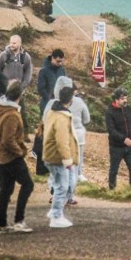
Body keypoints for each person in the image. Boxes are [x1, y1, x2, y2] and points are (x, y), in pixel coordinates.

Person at [0, 80, 34, 234]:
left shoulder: (2, 109)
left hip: (2, 155)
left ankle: (1, 224)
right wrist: (20, 152)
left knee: (7, 189)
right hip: (11, 156)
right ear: (19, 95)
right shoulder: (11, 114)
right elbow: (8, 140)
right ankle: (18, 220)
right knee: (28, 185)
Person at [44, 76, 90, 196]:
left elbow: (45, 120)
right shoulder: (78, 101)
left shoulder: (51, 103)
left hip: (56, 139)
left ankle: (54, 190)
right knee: (73, 168)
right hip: (77, 138)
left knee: (57, 167)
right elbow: (87, 119)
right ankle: (70, 195)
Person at [44, 86, 78, 228]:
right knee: (62, 187)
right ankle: (57, 216)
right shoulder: (62, 118)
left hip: (50, 154)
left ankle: (54, 212)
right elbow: (62, 140)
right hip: (57, 157)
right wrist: (67, 159)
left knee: (59, 185)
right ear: (70, 100)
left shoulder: (53, 112)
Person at [105, 88, 131, 190]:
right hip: (116, 147)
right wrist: (124, 139)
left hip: (130, 147)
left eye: (126, 98)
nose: (125, 101)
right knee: (114, 170)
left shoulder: (128, 109)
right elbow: (111, 130)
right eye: (123, 98)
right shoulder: (109, 112)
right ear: (116, 99)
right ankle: (112, 190)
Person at [36, 49, 66, 115]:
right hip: (47, 105)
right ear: (52, 58)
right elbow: (41, 89)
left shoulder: (62, 70)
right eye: (58, 61)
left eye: (61, 61)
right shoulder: (43, 71)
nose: (60, 64)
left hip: (59, 106)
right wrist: (50, 99)